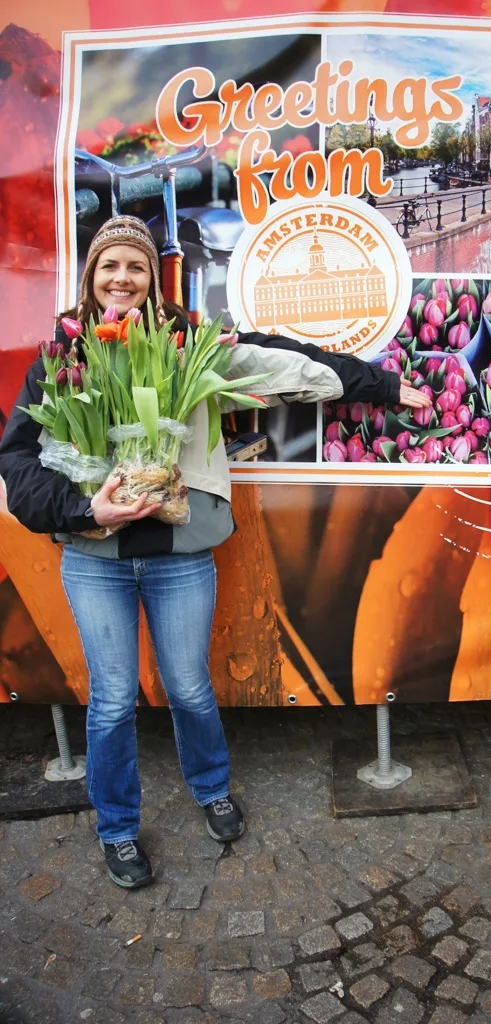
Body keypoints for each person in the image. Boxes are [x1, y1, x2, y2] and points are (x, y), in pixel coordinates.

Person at [0, 216, 432, 889]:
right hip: (93, 557)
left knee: (191, 688)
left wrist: (372, 384)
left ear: (152, 278)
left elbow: (279, 362)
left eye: (135, 267)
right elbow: (20, 461)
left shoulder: (189, 347)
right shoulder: (62, 359)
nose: (122, 278)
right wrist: (86, 509)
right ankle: (116, 829)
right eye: (109, 266)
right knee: (111, 700)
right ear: (92, 275)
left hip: (179, 552)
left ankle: (212, 790)